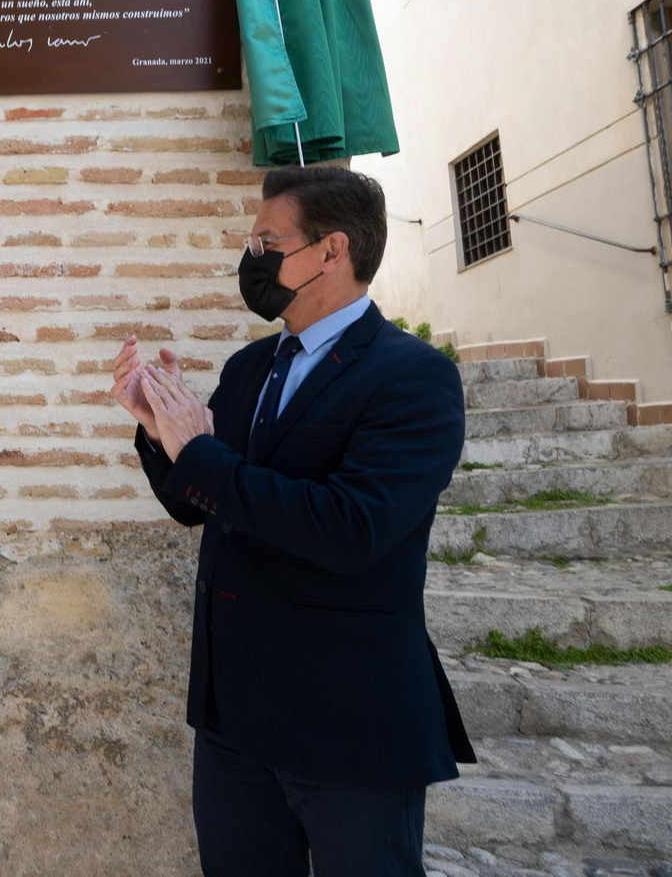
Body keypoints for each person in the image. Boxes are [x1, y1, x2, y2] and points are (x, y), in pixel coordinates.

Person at [110, 166, 473, 877]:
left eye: (267, 242)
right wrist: (162, 434)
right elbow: (199, 502)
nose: (253, 260)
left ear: (332, 251)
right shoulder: (250, 367)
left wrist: (202, 452)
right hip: (235, 722)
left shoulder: (413, 376)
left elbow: (351, 529)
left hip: (350, 725)